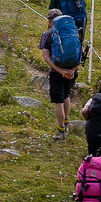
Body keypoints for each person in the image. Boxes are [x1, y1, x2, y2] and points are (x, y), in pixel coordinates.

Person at [39, 9, 79, 137]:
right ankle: (66, 122)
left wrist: (61, 71)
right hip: (72, 71)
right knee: (66, 95)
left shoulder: (48, 34)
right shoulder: (73, 32)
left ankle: (60, 130)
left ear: (51, 20)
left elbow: (46, 57)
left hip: (57, 72)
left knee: (58, 101)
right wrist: (72, 70)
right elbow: (80, 56)